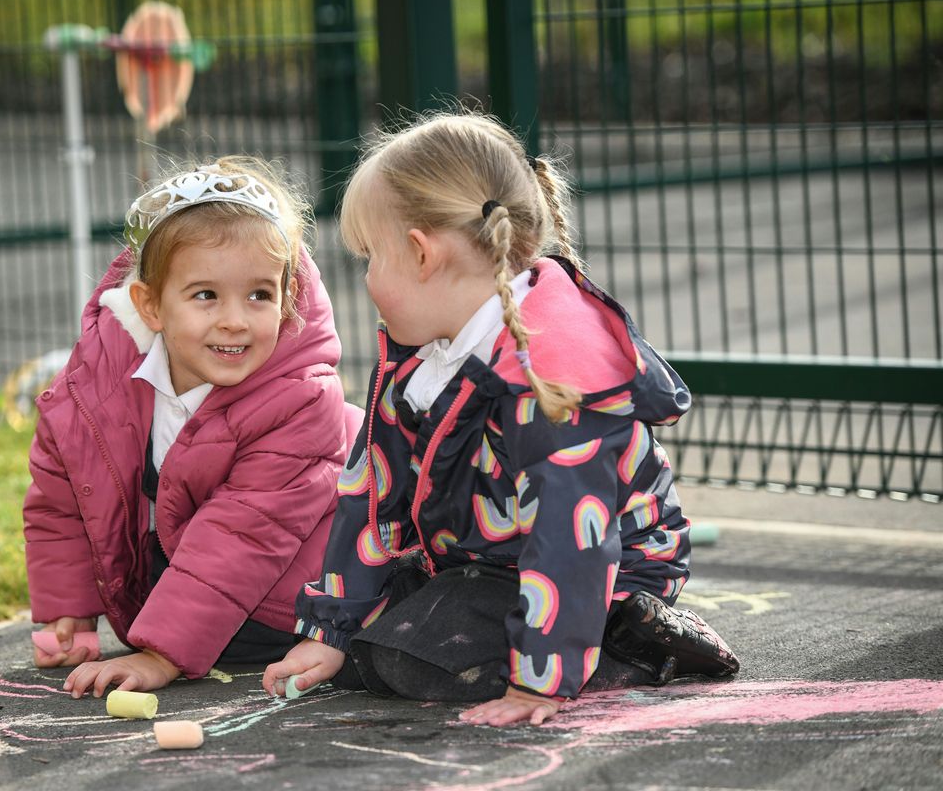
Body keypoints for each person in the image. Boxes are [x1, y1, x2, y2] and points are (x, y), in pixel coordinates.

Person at [262, 113, 738, 726]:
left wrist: (540, 683)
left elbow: (573, 540)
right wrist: (327, 632)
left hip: (608, 570)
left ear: (419, 252)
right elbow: (371, 496)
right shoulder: (419, 362)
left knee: (412, 659)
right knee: (371, 647)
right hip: (484, 557)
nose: (367, 279)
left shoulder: (549, 379)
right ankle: (468, 635)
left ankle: (630, 643)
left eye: (370, 256)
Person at [23, 156, 360, 698]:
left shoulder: (300, 400)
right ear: (150, 305)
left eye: (260, 295)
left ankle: (354, 638)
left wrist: (161, 655)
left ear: (287, 299)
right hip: (189, 585)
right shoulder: (95, 391)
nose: (234, 318)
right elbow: (63, 498)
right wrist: (70, 610)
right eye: (206, 295)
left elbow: (241, 535)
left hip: (287, 601)